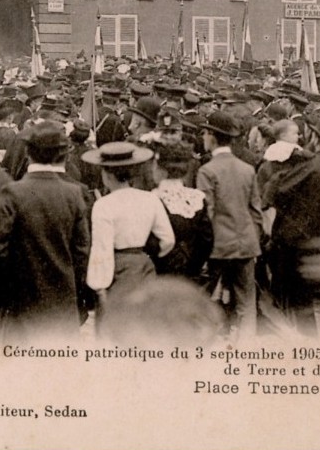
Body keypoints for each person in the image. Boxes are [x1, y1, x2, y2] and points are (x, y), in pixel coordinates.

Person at [0, 120, 91, 339]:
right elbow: (82, 252)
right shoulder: (74, 193)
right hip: (62, 298)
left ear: (28, 152)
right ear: (62, 155)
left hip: (20, 299)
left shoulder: (13, 192)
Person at [262, 114, 320, 336]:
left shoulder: (312, 166)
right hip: (315, 241)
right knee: (303, 303)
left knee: (288, 302)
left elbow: (280, 191)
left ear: (316, 138)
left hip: (294, 242)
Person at [83, 142, 175, 339]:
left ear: (107, 175)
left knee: (115, 330)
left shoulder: (103, 205)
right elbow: (168, 239)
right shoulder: (150, 199)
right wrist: (150, 256)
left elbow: (102, 248)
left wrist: (99, 286)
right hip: (143, 266)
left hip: (117, 269)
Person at [196, 111, 263, 339]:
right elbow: (256, 212)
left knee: (208, 301)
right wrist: (254, 243)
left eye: (205, 133)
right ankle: (246, 348)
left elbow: (207, 213)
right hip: (246, 245)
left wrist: (204, 250)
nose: (203, 138)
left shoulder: (207, 171)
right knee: (246, 303)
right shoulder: (247, 169)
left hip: (218, 247)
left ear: (213, 137)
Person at [151, 141, 213, 284]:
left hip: (160, 273)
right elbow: (207, 239)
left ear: (162, 170)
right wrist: (193, 267)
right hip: (191, 273)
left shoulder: (153, 198)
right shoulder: (196, 198)